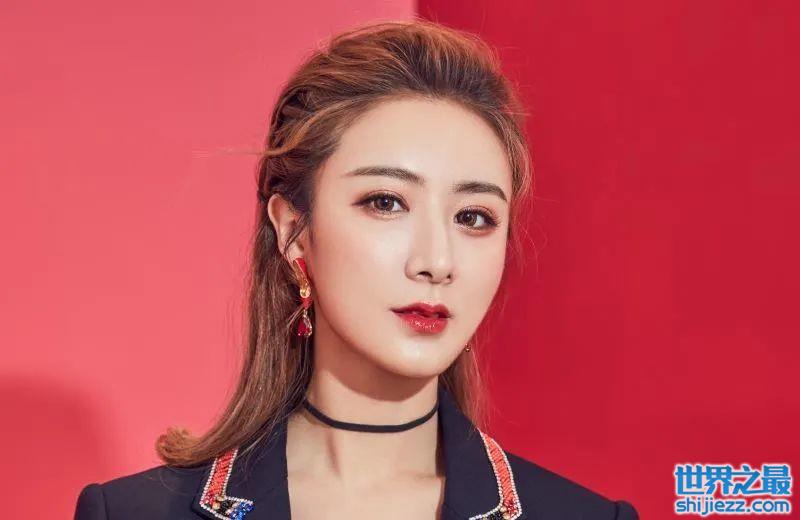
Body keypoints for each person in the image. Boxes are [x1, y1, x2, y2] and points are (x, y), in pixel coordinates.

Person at [74, 19, 638, 520]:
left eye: (473, 217)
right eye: (385, 202)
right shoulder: (131, 513)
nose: (437, 262)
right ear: (293, 231)